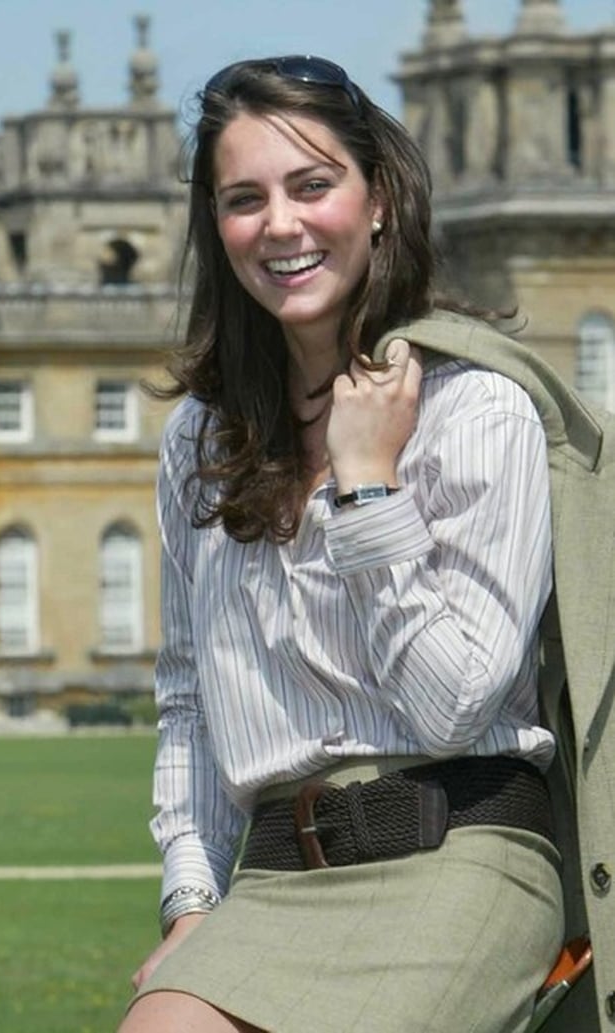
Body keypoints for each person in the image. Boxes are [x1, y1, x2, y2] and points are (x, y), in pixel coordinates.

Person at [118, 55, 565, 1033]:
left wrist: (368, 486)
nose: (279, 223)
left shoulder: (477, 411)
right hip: (277, 877)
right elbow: (190, 693)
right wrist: (191, 896)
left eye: (312, 185)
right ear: (216, 226)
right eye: (244, 199)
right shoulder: (202, 436)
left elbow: (451, 709)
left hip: (462, 855)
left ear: (378, 200)